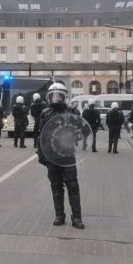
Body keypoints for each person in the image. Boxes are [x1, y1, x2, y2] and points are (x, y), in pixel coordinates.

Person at [36, 83, 84, 229]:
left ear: (65, 97)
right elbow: (41, 135)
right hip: (51, 155)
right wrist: (41, 154)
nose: (56, 99)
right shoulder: (46, 114)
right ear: (49, 97)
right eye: (54, 96)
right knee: (56, 187)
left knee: (73, 186)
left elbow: (80, 132)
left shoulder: (73, 112)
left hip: (67, 154)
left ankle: (77, 217)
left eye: (59, 96)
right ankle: (59, 215)